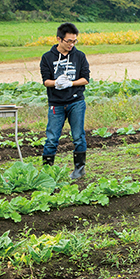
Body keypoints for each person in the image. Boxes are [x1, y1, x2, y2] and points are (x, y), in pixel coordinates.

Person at [39, 22, 90, 179]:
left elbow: (86, 79)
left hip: (76, 102)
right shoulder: (47, 57)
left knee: (78, 135)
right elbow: (46, 81)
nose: (71, 44)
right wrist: (57, 83)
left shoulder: (79, 56)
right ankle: (47, 171)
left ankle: (79, 169)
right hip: (56, 103)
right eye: (68, 41)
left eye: (74, 41)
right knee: (52, 137)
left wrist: (71, 83)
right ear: (59, 39)